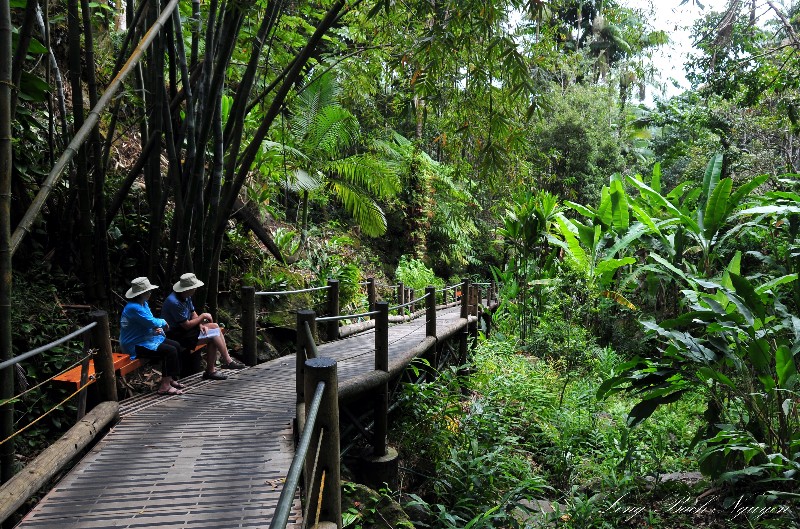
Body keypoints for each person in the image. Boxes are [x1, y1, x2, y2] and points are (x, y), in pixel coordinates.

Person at [161, 272, 245, 381]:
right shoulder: (174, 302)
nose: (195, 289)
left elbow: (192, 313)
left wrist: (200, 324)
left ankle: (225, 362)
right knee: (213, 336)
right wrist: (202, 317)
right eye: (194, 287)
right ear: (187, 288)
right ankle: (219, 366)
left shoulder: (186, 296)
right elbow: (186, 325)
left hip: (185, 330)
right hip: (175, 334)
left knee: (214, 326)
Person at [120, 277, 185, 396]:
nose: (150, 293)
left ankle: (170, 379)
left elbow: (148, 323)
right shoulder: (133, 308)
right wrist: (162, 323)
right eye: (148, 291)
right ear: (142, 293)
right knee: (169, 351)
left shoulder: (143, 304)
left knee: (176, 345)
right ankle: (165, 386)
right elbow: (152, 321)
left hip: (146, 339)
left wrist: (156, 328)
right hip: (135, 344)